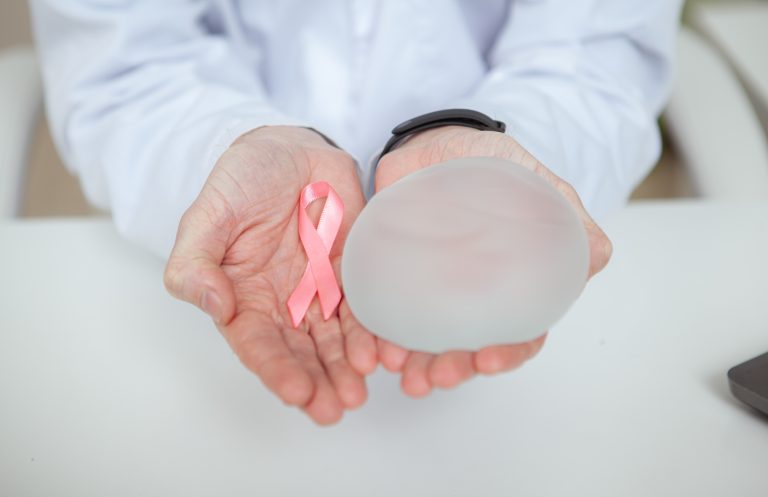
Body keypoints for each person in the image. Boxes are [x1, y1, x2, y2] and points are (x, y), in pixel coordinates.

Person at [30, 0, 683, 424]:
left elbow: (599, 53)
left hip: (498, 311)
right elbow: (124, 66)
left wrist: (503, 162)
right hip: (236, 307)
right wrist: (227, 147)